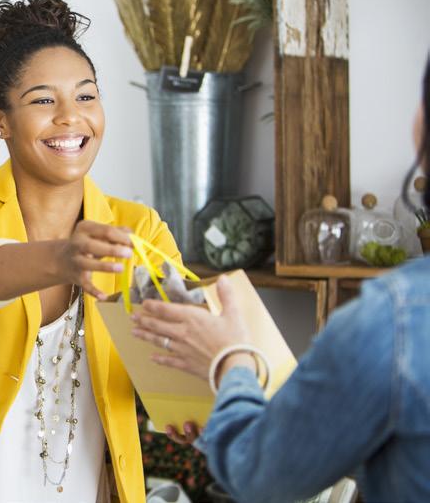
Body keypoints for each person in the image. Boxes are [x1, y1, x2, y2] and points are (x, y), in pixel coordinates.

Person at [0, 0, 181, 503]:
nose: (70, 118)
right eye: (41, 100)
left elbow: (178, 352)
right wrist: (61, 258)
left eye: (86, 96)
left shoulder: (137, 227)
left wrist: (199, 402)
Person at [132, 59, 430, 502]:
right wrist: (225, 416)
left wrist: (231, 360)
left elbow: (264, 478)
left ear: (420, 128)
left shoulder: (393, 321)